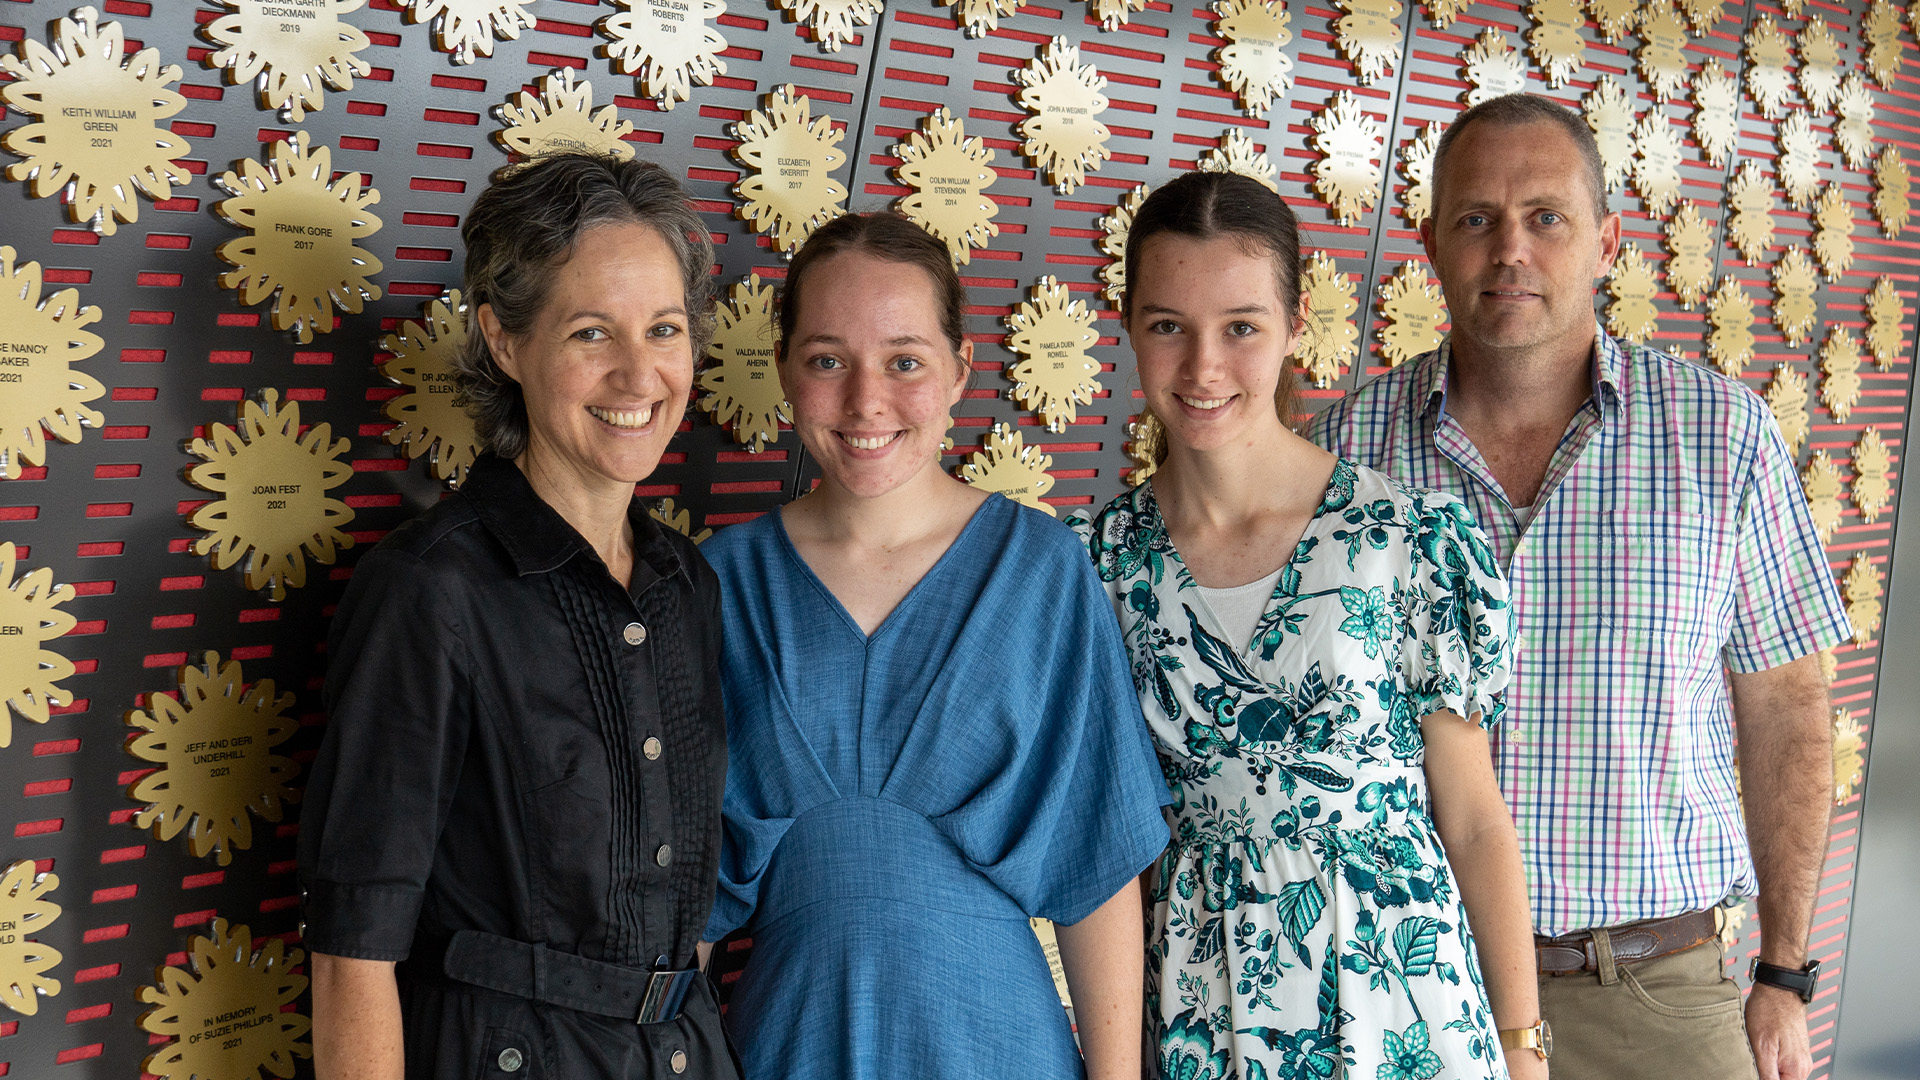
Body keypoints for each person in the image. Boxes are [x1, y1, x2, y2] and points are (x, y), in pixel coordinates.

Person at [1309, 93, 1851, 1080]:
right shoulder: (1345, 454)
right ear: (1431, 244)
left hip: (1658, 992)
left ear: (1606, 241)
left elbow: (1789, 708)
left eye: (1545, 218)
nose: (1510, 250)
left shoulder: (1722, 438)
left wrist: (1784, 970)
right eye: (1477, 220)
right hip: (1414, 982)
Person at [1073, 169, 1546, 1080]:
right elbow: (1107, 858)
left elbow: (1475, 817)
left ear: (1294, 329)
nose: (1204, 368)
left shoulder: (1408, 539)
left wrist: (1525, 1052)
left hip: (1406, 1011)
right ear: (1129, 327)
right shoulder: (1094, 566)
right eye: (1168, 325)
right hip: (1202, 1014)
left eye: (1241, 328)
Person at [699, 212, 1172, 1080]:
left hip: (1000, 1045)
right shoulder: (717, 584)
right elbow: (673, 897)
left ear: (960, 371)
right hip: (782, 1043)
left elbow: (1097, 875)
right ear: (785, 372)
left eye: (904, 361)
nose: (866, 400)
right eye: (827, 359)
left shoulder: (1041, 572)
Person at [299, 154, 740, 1079]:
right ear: (505, 342)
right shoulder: (431, 590)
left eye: (663, 329)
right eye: (591, 332)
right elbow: (352, 958)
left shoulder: (686, 585)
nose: (638, 374)